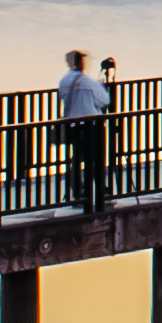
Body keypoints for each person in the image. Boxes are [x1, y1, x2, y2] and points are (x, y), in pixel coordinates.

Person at [56, 49, 111, 211]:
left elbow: (63, 98)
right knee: (95, 159)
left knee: (76, 158)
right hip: (93, 126)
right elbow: (104, 100)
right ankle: (96, 192)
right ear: (81, 63)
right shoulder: (89, 82)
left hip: (73, 126)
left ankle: (78, 192)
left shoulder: (63, 81)